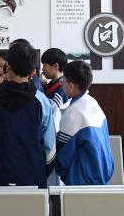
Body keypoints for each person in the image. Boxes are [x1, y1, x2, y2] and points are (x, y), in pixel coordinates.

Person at [0, 41, 56, 188]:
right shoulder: (42, 101)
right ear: (33, 72)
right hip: (33, 175)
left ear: (7, 66)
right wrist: (41, 171)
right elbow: (50, 146)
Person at [55, 60, 114, 185]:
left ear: (71, 86)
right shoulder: (93, 102)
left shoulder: (72, 113)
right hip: (103, 176)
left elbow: (63, 158)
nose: (61, 83)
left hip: (81, 181)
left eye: (63, 80)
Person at [40, 47, 69, 185]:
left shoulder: (60, 90)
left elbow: (53, 121)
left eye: (44, 65)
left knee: (54, 182)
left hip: (55, 142)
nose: (42, 69)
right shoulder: (52, 85)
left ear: (55, 66)